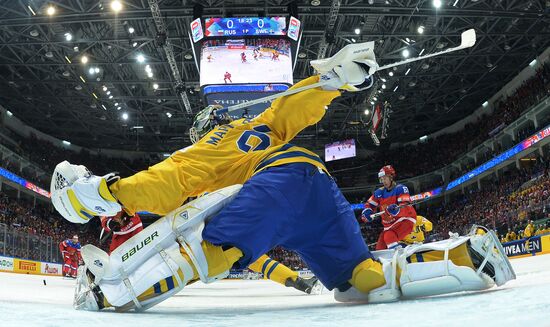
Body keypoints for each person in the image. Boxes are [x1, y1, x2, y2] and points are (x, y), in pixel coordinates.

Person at [51, 54, 513, 312]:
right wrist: (331, 80)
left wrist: (108, 193)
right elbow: (295, 108)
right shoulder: (265, 125)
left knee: (210, 246)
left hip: (277, 186)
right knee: (360, 280)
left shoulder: (212, 144)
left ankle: (109, 296)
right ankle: (466, 257)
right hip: (316, 185)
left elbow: (167, 183)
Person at [361, 165, 416, 250]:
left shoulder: (401, 188)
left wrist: (397, 210)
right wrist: (367, 212)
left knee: (389, 236)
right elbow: (369, 205)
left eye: (385, 178)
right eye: (381, 179)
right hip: (389, 225)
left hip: (404, 220)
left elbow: (406, 206)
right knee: (380, 248)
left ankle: (400, 256)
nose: (383, 181)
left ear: (391, 177)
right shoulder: (379, 192)